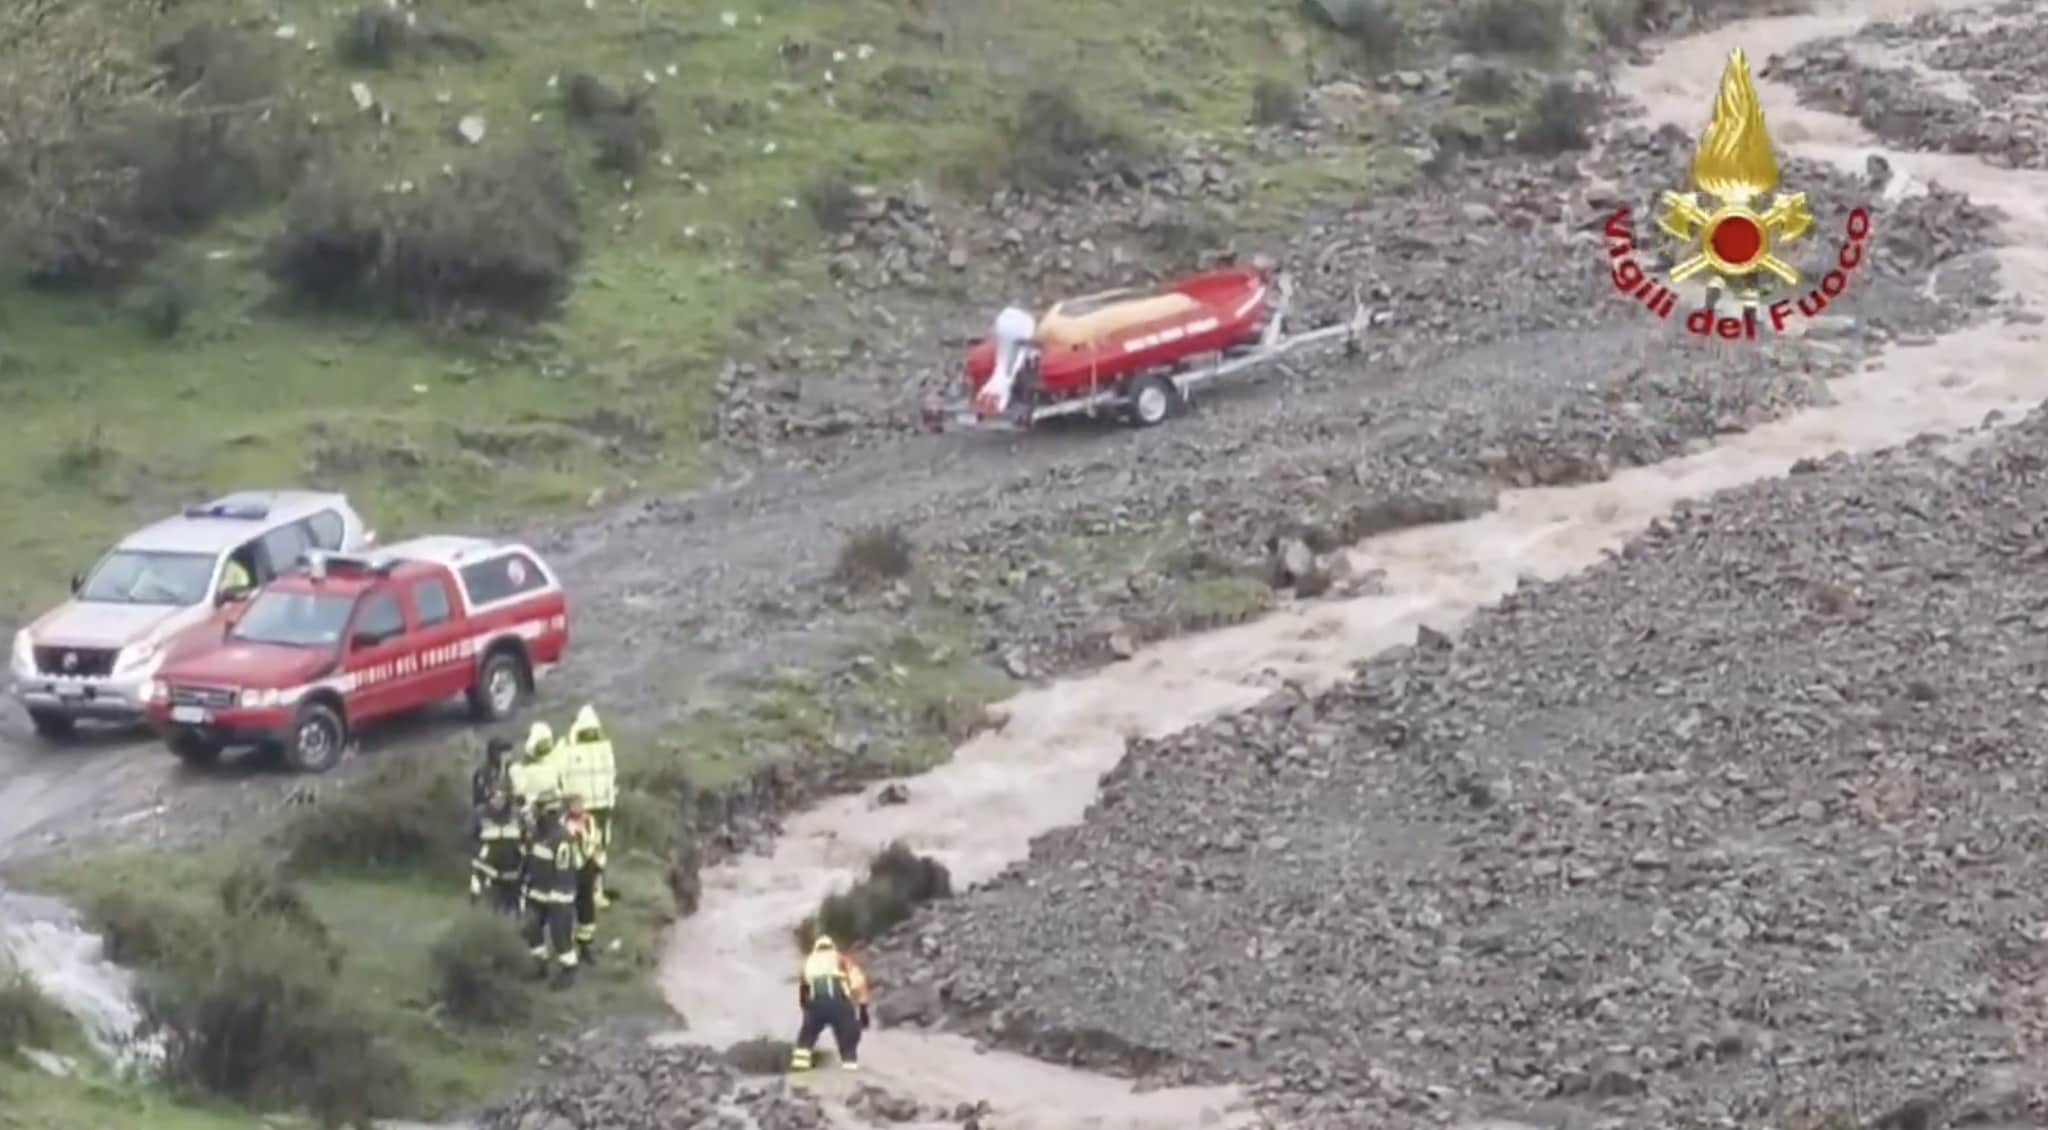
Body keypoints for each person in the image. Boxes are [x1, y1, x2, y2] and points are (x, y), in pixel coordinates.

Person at [557, 705, 618, 906]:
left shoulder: (566, 749)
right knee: (594, 853)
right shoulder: (605, 749)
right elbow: (612, 778)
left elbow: (561, 778)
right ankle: (593, 893)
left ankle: (586, 892)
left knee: (585, 853)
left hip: (582, 811)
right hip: (596, 810)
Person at [520, 789, 581, 988]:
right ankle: (540, 965)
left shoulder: (561, 838)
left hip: (558, 896)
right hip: (538, 891)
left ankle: (569, 970)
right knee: (531, 928)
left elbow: (564, 871)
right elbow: (531, 861)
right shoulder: (538, 834)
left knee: (560, 936)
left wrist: (558, 898)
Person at [789, 935, 863, 1072]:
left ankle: (799, 1071)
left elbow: (804, 987)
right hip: (839, 1003)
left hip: (817, 1003)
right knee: (847, 1039)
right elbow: (858, 982)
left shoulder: (809, 961)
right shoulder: (841, 959)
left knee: (806, 1038)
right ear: (832, 947)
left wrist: (806, 1008)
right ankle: (851, 1071)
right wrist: (860, 1006)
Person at [469, 774, 524, 914]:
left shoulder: (517, 815)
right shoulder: (480, 814)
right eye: (495, 797)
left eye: (502, 797)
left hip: (512, 870)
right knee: (485, 905)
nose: (498, 801)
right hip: (486, 869)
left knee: (512, 906)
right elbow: (470, 839)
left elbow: (524, 840)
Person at [562, 793, 602, 966]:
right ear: (568, 806)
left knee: (587, 909)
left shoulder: (590, 820)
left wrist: (597, 864)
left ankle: (585, 947)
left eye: (581, 804)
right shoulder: (563, 823)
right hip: (570, 870)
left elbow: (595, 841)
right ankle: (568, 948)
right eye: (574, 804)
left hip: (587, 868)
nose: (578, 807)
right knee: (568, 908)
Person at [507, 721, 564, 818]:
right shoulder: (517, 770)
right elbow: (519, 792)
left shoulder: (555, 763)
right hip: (534, 809)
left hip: (551, 807)